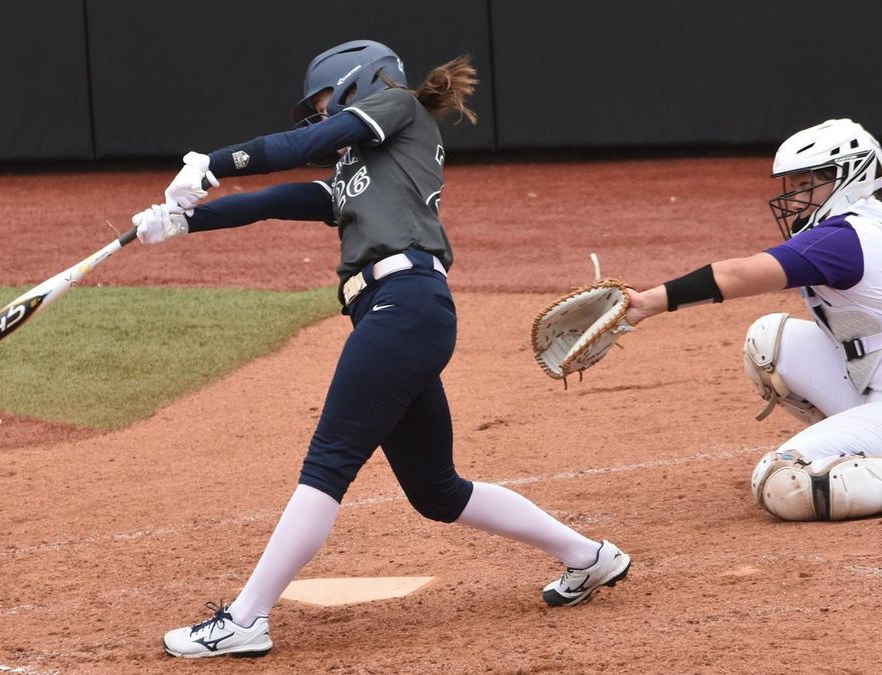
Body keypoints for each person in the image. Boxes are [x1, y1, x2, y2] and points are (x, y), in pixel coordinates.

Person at [132, 40, 631, 659]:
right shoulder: (361, 171)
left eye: (323, 104)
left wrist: (212, 161)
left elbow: (299, 148)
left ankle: (246, 618)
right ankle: (589, 556)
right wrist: (182, 221)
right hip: (401, 316)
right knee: (437, 491)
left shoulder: (397, 108)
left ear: (355, 85)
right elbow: (276, 201)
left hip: (405, 306)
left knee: (328, 464)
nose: (319, 119)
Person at [623, 118, 882, 522]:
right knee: (770, 341)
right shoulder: (865, 221)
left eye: (805, 186)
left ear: (849, 175)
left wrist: (646, 303)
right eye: (794, 187)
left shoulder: (843, 239)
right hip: (873, 383)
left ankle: (859, 451)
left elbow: (739, 275)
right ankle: (857, 443)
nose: (795, 200)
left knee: (782, 481)